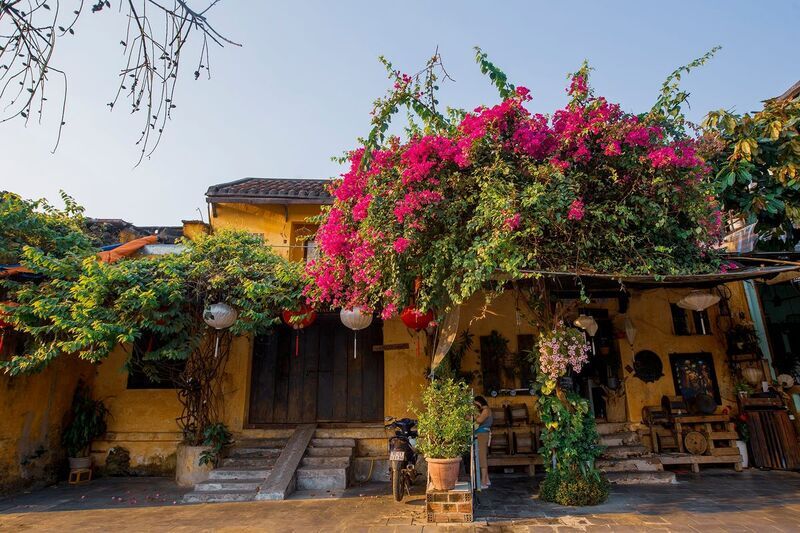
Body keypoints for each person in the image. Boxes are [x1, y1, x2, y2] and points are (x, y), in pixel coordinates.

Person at [473, 395, 492, 489]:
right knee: (481, 456)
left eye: (475, 404)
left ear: (479, 403)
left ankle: (483, 482)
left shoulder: (486, 410)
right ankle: (487, 480)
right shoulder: (483, 410)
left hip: (482, 435)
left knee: (482, 457)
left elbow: (479, 420)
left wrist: (470, 416)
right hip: (480, 434)